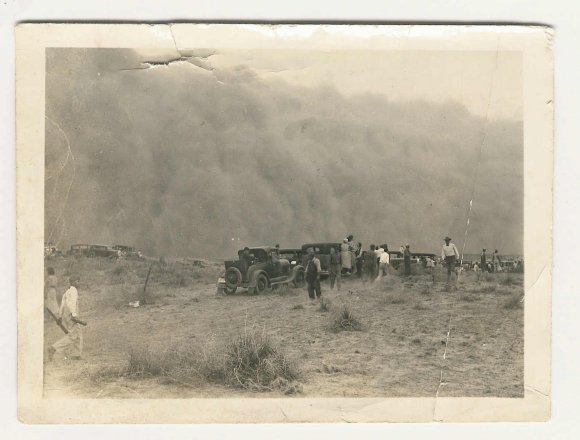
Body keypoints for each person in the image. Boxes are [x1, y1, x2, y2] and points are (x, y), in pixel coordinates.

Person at [48, 275, 86, 361]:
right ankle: (53, 348)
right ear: (72, 282)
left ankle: (76, 355)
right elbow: (71, 304)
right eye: (77, 281)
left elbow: (62, 304)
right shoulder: (73, 291)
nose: (78, 283)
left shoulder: (67, 292)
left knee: (78, 334)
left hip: (66, 314)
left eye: (78, 281)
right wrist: (74, 315)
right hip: (71, 314)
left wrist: (60, 316)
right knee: (73, 335)